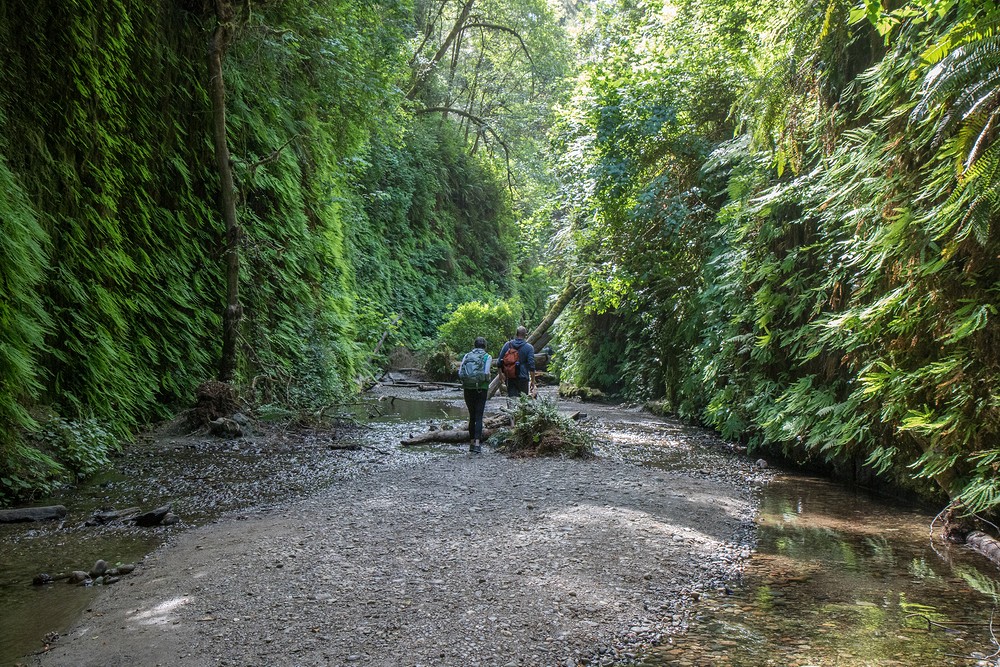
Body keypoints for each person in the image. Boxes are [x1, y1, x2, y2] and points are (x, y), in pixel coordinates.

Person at [457, 336, 491, 454]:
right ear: (484, 346)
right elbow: (486, 372)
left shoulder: (467, 356)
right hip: (481, 388)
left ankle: (471, 443)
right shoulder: (487, 356)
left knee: (471, 416)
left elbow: (460, 372)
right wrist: (486, 380)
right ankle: (477, 444)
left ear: (474, 345)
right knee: (479, 416)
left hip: (468, 388)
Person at [498, 326, 536, 399]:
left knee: (512, 399)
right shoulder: (529, 347)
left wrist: (501, 375)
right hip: (523, 377)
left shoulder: (507, 345)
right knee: (523, 400)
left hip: (510, 376)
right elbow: (532, 366)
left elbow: (499, 362)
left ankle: (512, 410)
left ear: (516, 334)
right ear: (525, 335)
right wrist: (533, 381)